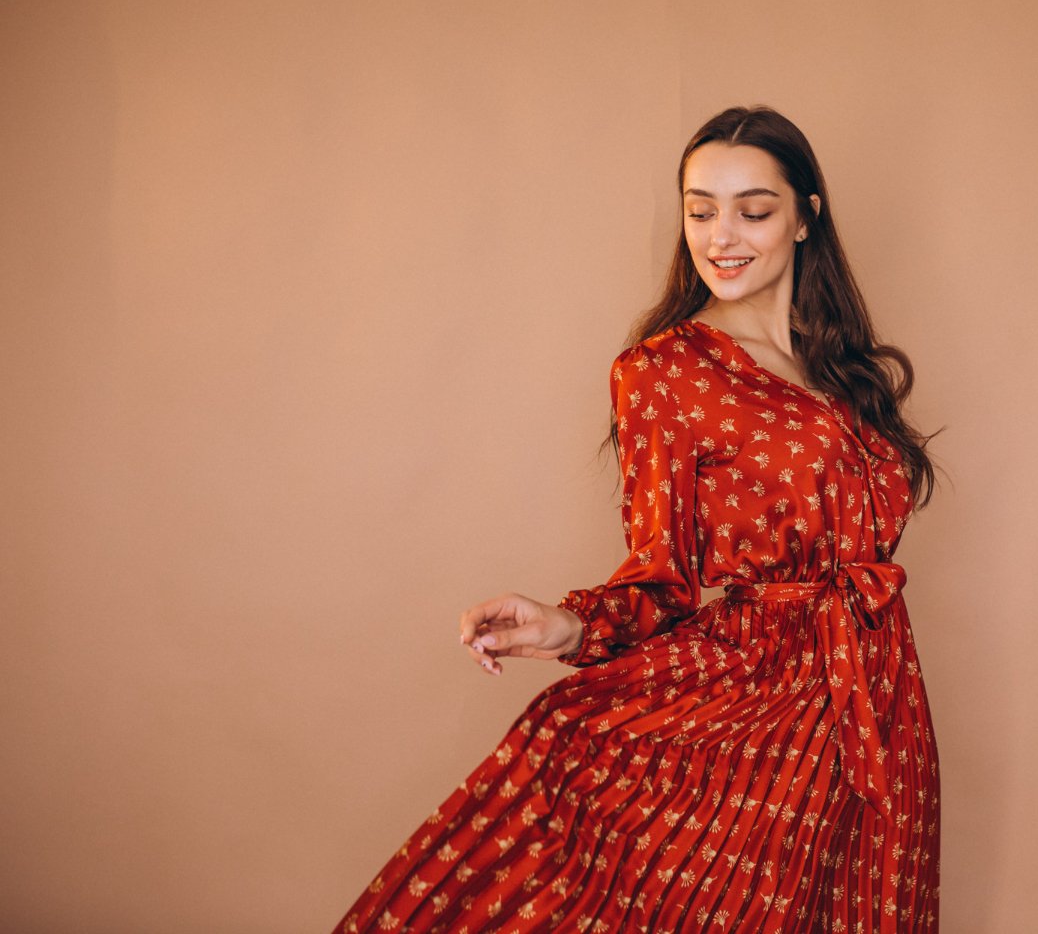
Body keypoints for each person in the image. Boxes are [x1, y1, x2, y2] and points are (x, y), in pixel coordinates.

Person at [333, 105, 941, 933]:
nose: (722, 236)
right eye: (700, 210)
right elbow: (664, 572)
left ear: (806, 217)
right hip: (755, 720)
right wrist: (566, 626)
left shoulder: (840, 362)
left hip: (875, 701)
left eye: (753, 210)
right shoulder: (663, 372)